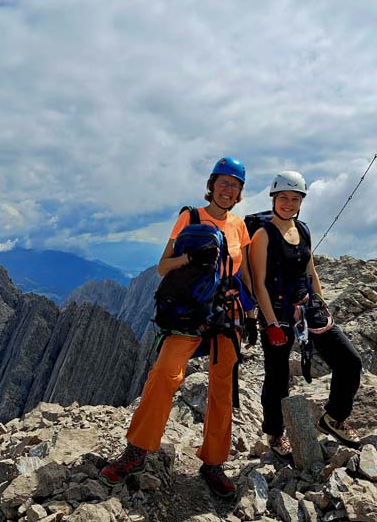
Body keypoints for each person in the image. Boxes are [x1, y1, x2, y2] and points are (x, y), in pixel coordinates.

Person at [99, 157, 252, 499]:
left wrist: (252, 311)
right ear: (212, 185)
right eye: (223, 183)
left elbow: (243, 274)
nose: (228, 190)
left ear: (240, 192)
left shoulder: (240, 227)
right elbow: (162, 267)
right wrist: (190, 259)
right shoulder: (191, 217)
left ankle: (213, 463)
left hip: (226, 315)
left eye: (235, 185)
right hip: (190, 312)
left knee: (222, 389)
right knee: (165, 373)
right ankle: (136, 451)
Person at [249, 171, 362, 455]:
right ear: (274, 199)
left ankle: (334, 417)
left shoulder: (304, 230)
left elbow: (310, 272)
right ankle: (275, 434)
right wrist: (271, 323)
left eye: (295, 199)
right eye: (284, 198)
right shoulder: (263, 235)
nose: (289, 203)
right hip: (277, 313)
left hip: (307, 307)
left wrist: (321, 303)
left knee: (349, 361)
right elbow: (259, 283)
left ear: (301, 202)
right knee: (276, 376)